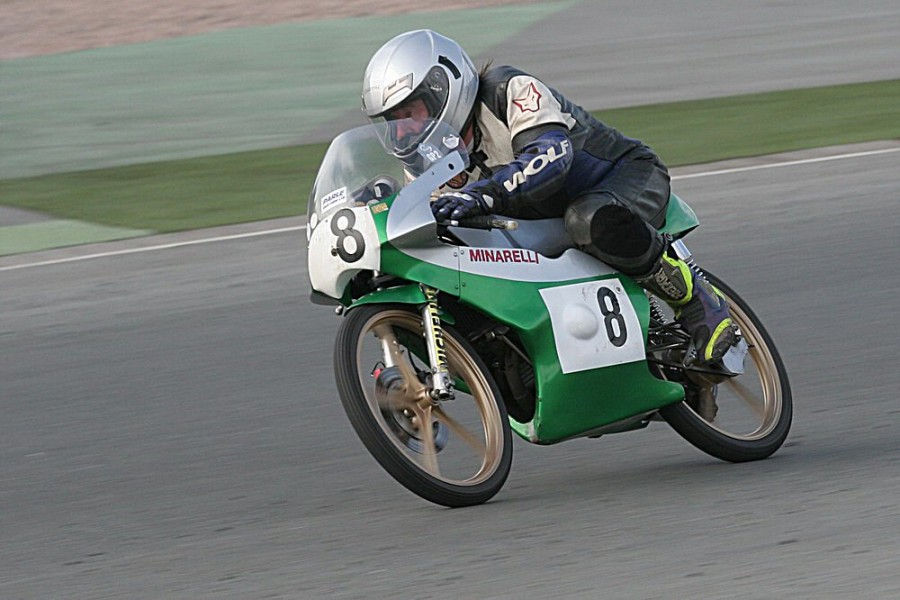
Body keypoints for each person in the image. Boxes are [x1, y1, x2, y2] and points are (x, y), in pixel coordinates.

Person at [360, 29, 737, 365]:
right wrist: (381, 204)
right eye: (392, 122)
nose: (404, 130)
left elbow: (550, 157)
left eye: (411, 112)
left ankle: (698, 300)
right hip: (541, 220)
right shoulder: (426, 162)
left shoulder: (509, 90)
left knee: (587, 219)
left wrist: (482, 195)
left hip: (623, 178)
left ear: (444, 89)